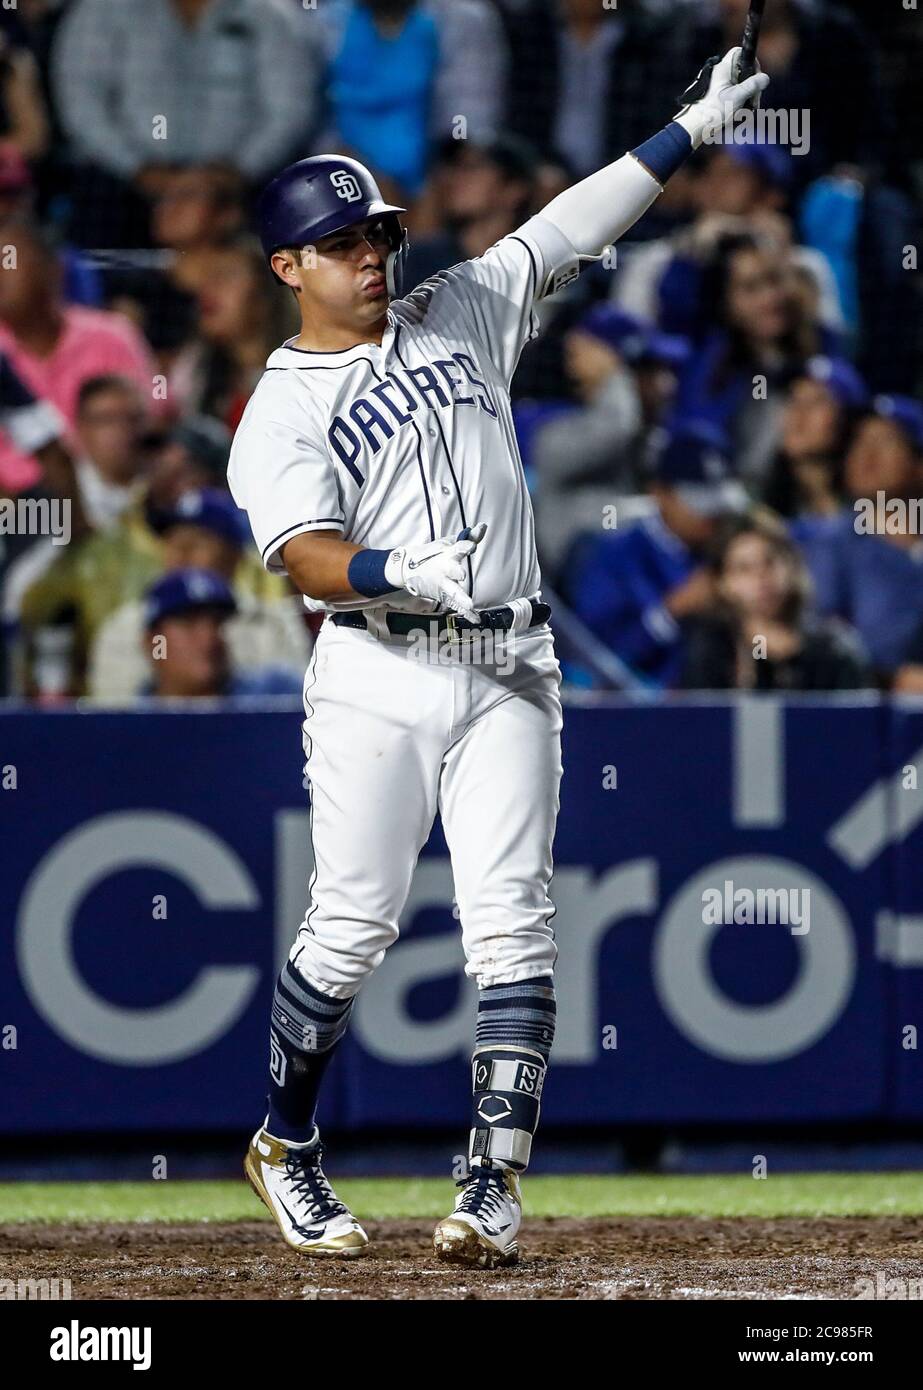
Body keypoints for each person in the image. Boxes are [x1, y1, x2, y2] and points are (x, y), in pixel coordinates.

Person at [227, 48, 767, 1266]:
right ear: (288, 267)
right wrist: (391, 571)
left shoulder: (462, 306)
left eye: (376, 233)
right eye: (343, 242)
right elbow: (305, 555)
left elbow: (570, 221)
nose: (371, 255)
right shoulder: (281, 408)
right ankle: (285, 1141)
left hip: (513, 666)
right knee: (353, 923)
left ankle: (490, 1181)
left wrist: (685, 131)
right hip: (377, 667)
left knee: (514, 926)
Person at [50, 0, 316, 246]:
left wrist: (234, 172)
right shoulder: (103, 10)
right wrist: (139, 169)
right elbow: (81, 104)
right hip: (122, 184)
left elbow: (291, 107)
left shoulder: (270, 13)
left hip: (241, 185)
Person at [565, 421, 748, 688]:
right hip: (640, 715)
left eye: (718, 503)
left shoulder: (735, 547)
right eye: (699, 502)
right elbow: (593, 660)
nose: (712, 516)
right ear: (660, 494)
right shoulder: (612, 556)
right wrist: (671, 612)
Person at [90, 488, 312, 700]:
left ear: (233, 556)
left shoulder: (272, 624)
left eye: (197, 542)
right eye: (173, 541)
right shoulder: (128, 625)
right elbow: (114, 715)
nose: (181, 552)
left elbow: (295, 712)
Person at [0, 217, 158, 495]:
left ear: (52, 268)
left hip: (117, 496)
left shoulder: (112, 335)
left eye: (8, 258)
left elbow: (152, 416)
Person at [799, 395, 923, 682]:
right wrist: (891, 680)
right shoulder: (832, 544)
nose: (866, 455)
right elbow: (819, 648)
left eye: (885, 442)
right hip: (865, 714)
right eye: (859, 442)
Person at [680, 512, 870, 691]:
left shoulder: (836, 650)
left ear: (791, 564)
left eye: (769, 561)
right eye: (744, 569)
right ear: (723, 584)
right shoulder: (711, 652)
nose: (761, 578)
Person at [141, 567, 304, 700]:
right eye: (188, 622)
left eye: (218, 622)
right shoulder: (128, 719)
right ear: (153, 641)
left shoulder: (276, 694)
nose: (209, 638)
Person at [762, 355, 867, 524]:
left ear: (847, 422)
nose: (799, 412)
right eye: (792, 400)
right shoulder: (758, 502)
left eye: (817, 401)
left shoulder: (871, 511)